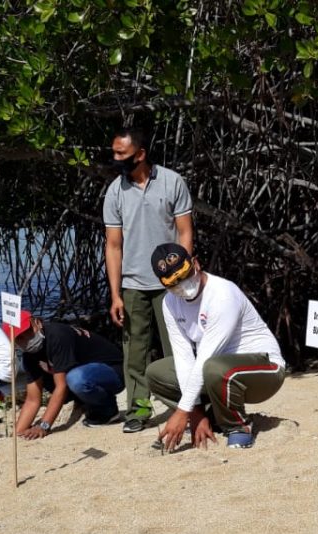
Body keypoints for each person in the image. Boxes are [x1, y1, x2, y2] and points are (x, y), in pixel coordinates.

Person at [146, 243, 286, 451]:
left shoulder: (222, 294)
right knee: (156, 373)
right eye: (173, 283)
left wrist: (183, 411)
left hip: (264, 369)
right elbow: (184, 357)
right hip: (217, 370)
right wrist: (195, 413)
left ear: (196, 263)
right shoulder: (169, 303)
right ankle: (211, 416)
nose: (182, 284)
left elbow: (205, 357)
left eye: (185, 274)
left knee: (212, 367)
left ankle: (238, 426)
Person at [103, 127, 194, 433]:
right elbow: (113, 245)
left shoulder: (171, 182)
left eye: (121, 154)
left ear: (140, 154)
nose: (115, 159)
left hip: (171, 284)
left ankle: (184, 407)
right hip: (133, 285)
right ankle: (138, 411)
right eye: (114, 153)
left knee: (177, 349)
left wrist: (183, 275)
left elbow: (185, 231)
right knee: (135, 353)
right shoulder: (115, 191)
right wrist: (115, 294)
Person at [3, 310, 125, 439]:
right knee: (52, 379)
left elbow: (62, 386)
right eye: (19, 338)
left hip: (113, 371)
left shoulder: (57, 336)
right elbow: (33, 399)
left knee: (74, 379)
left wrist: (43, 426)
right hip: (85, 374)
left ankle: (108, 410)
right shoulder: (29, 356)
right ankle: (84, 402)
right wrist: (19, 432)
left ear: (37, 323)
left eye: (27, 332)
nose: (25, 340)